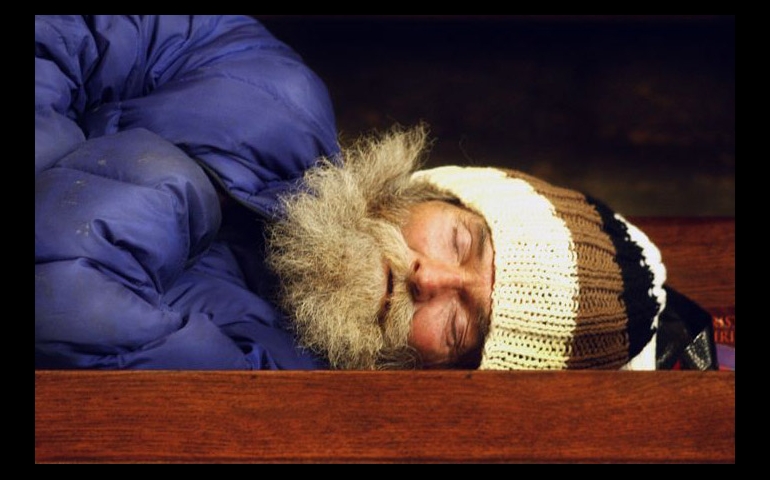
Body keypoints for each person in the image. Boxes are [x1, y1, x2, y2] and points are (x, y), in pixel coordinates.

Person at [35, 15, 716, 371]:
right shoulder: (272, 90)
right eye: (460, 241)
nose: (430, 277)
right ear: (434, 196)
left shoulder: (265, 379)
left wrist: (168, 182)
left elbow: (64, 297)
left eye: (460, 326)